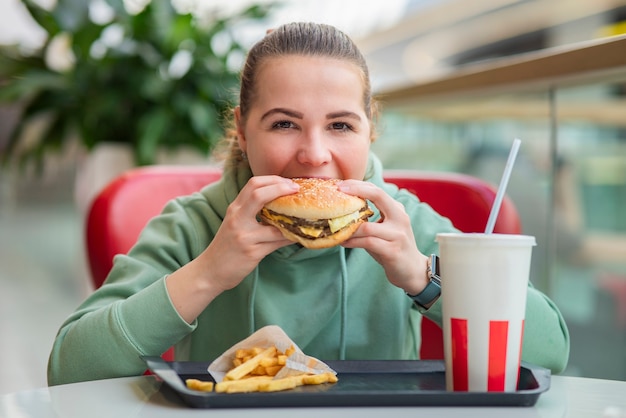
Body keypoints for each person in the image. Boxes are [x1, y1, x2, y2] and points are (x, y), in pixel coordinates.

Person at [47, 22, 569, 385]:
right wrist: (208, 273)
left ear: (371, 132)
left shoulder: (406, 223)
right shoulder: (192, 225)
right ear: (243, 133)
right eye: (283, 124)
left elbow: (552, 351)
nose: (314, 154)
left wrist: (422, 275)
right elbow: (69, 369)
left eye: (340, 125)